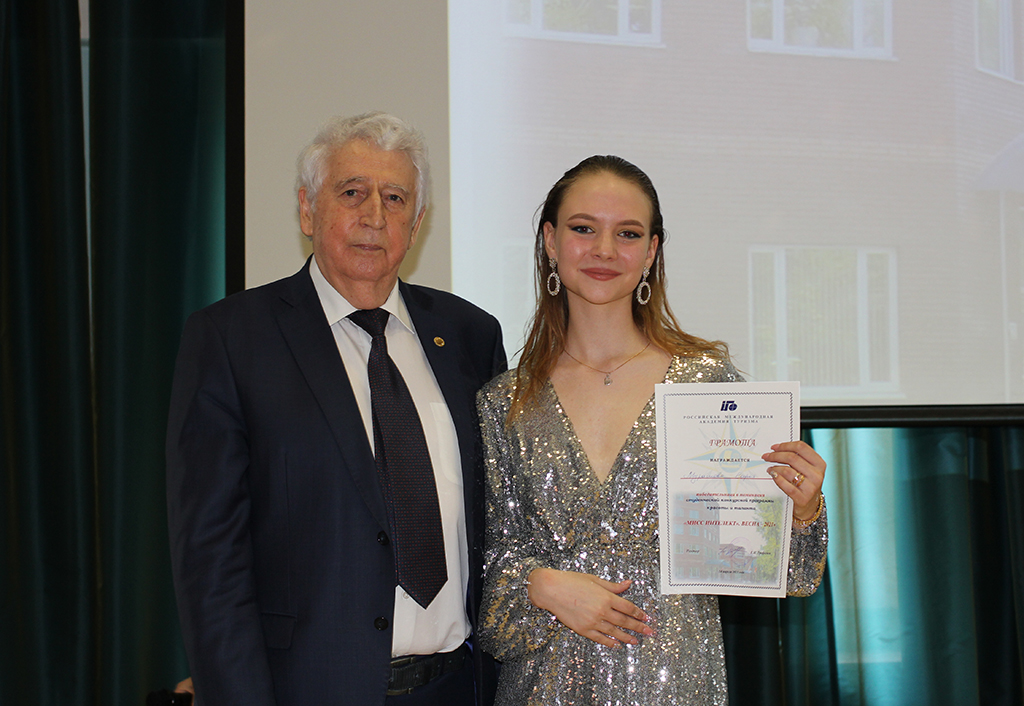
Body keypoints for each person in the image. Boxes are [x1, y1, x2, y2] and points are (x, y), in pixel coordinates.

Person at [166, 112, 505, 705]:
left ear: (417, 223)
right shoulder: (231, 339)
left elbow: (499, 525)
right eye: (352, 193)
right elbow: (210, 565)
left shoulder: (469, 335)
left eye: (395, 198)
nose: (375, 215)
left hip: (456, 689)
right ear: (307, 210)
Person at [475, 155, 828, 705]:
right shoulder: (504, 403)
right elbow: (487, 579)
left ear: (651, 252)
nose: (604, 249)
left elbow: (785, 572)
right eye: (583, 228)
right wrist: (540, 585)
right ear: (549, 241)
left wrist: (801, 511)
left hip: (674, 679)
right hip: (544, 686)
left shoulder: (705, 383)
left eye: (628, 233)